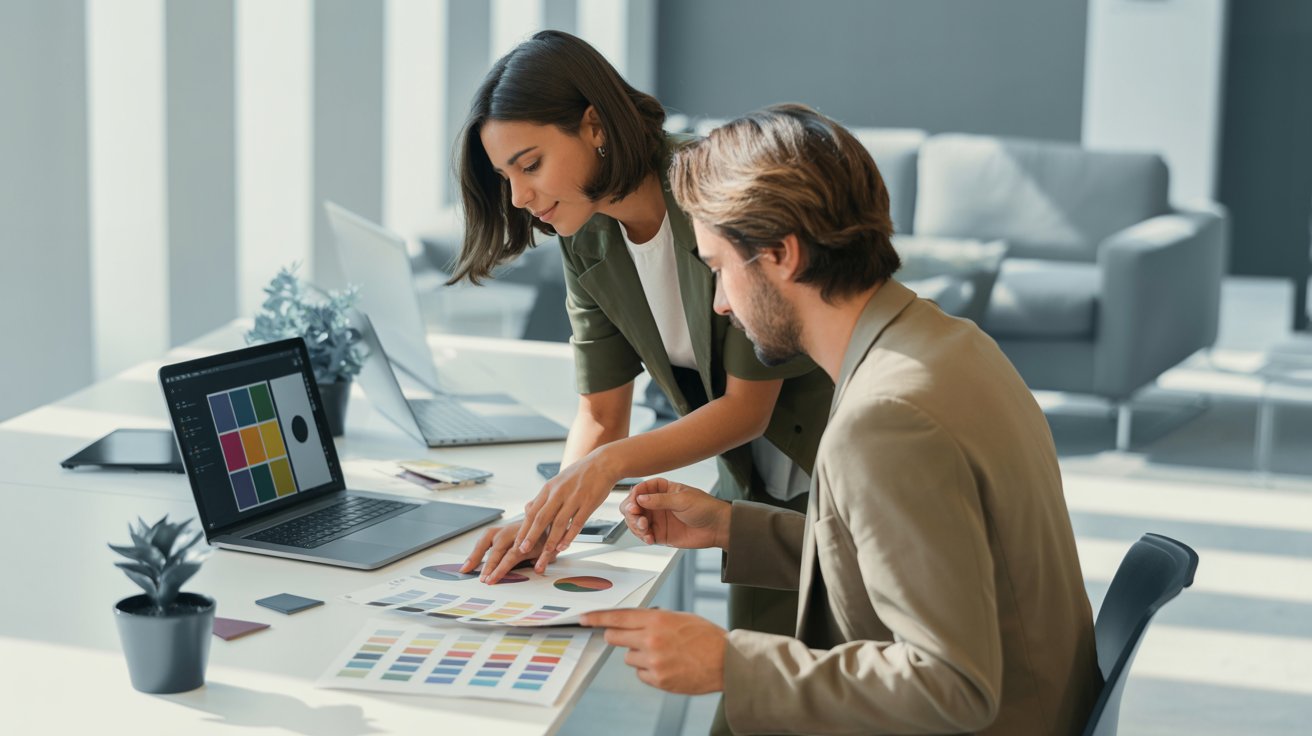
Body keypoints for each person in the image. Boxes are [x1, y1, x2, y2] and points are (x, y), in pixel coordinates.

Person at [584, 104, 1101, 735]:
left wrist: (731, 662)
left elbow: (953, 688)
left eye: (718, 267)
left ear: (782, 255)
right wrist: (730, 527)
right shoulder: (948, 344)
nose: (719, 303)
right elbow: (926, 563)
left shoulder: (885, 421)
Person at [447, 29, 832, 665]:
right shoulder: (584, 234)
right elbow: (601, 415)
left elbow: (748, 407)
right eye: (504, 176)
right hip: (750, 488)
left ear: (594, 125)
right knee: (753, 699)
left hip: (835, 465)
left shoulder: (715, 189)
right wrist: (546, 520)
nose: (519, 198)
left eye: (531, 164)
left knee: (841, 688)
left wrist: (601, 470)